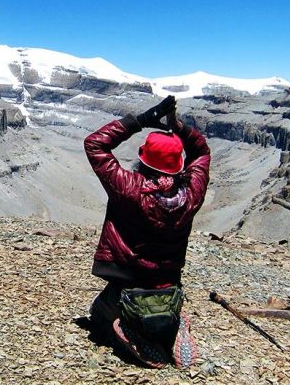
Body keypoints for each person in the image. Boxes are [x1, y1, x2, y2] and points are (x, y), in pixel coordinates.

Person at [84, 95, 211, 369]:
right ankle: (172, 327)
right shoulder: (191, 195)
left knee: (99, 315)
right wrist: (179, 128)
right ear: (179, 165)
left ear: (144, 160)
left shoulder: (129, 189)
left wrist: (140, 120)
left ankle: (132, 336)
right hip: (169, 283)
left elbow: (95, 144)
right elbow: (201, 153)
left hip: (129, 281)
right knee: (160, 304)